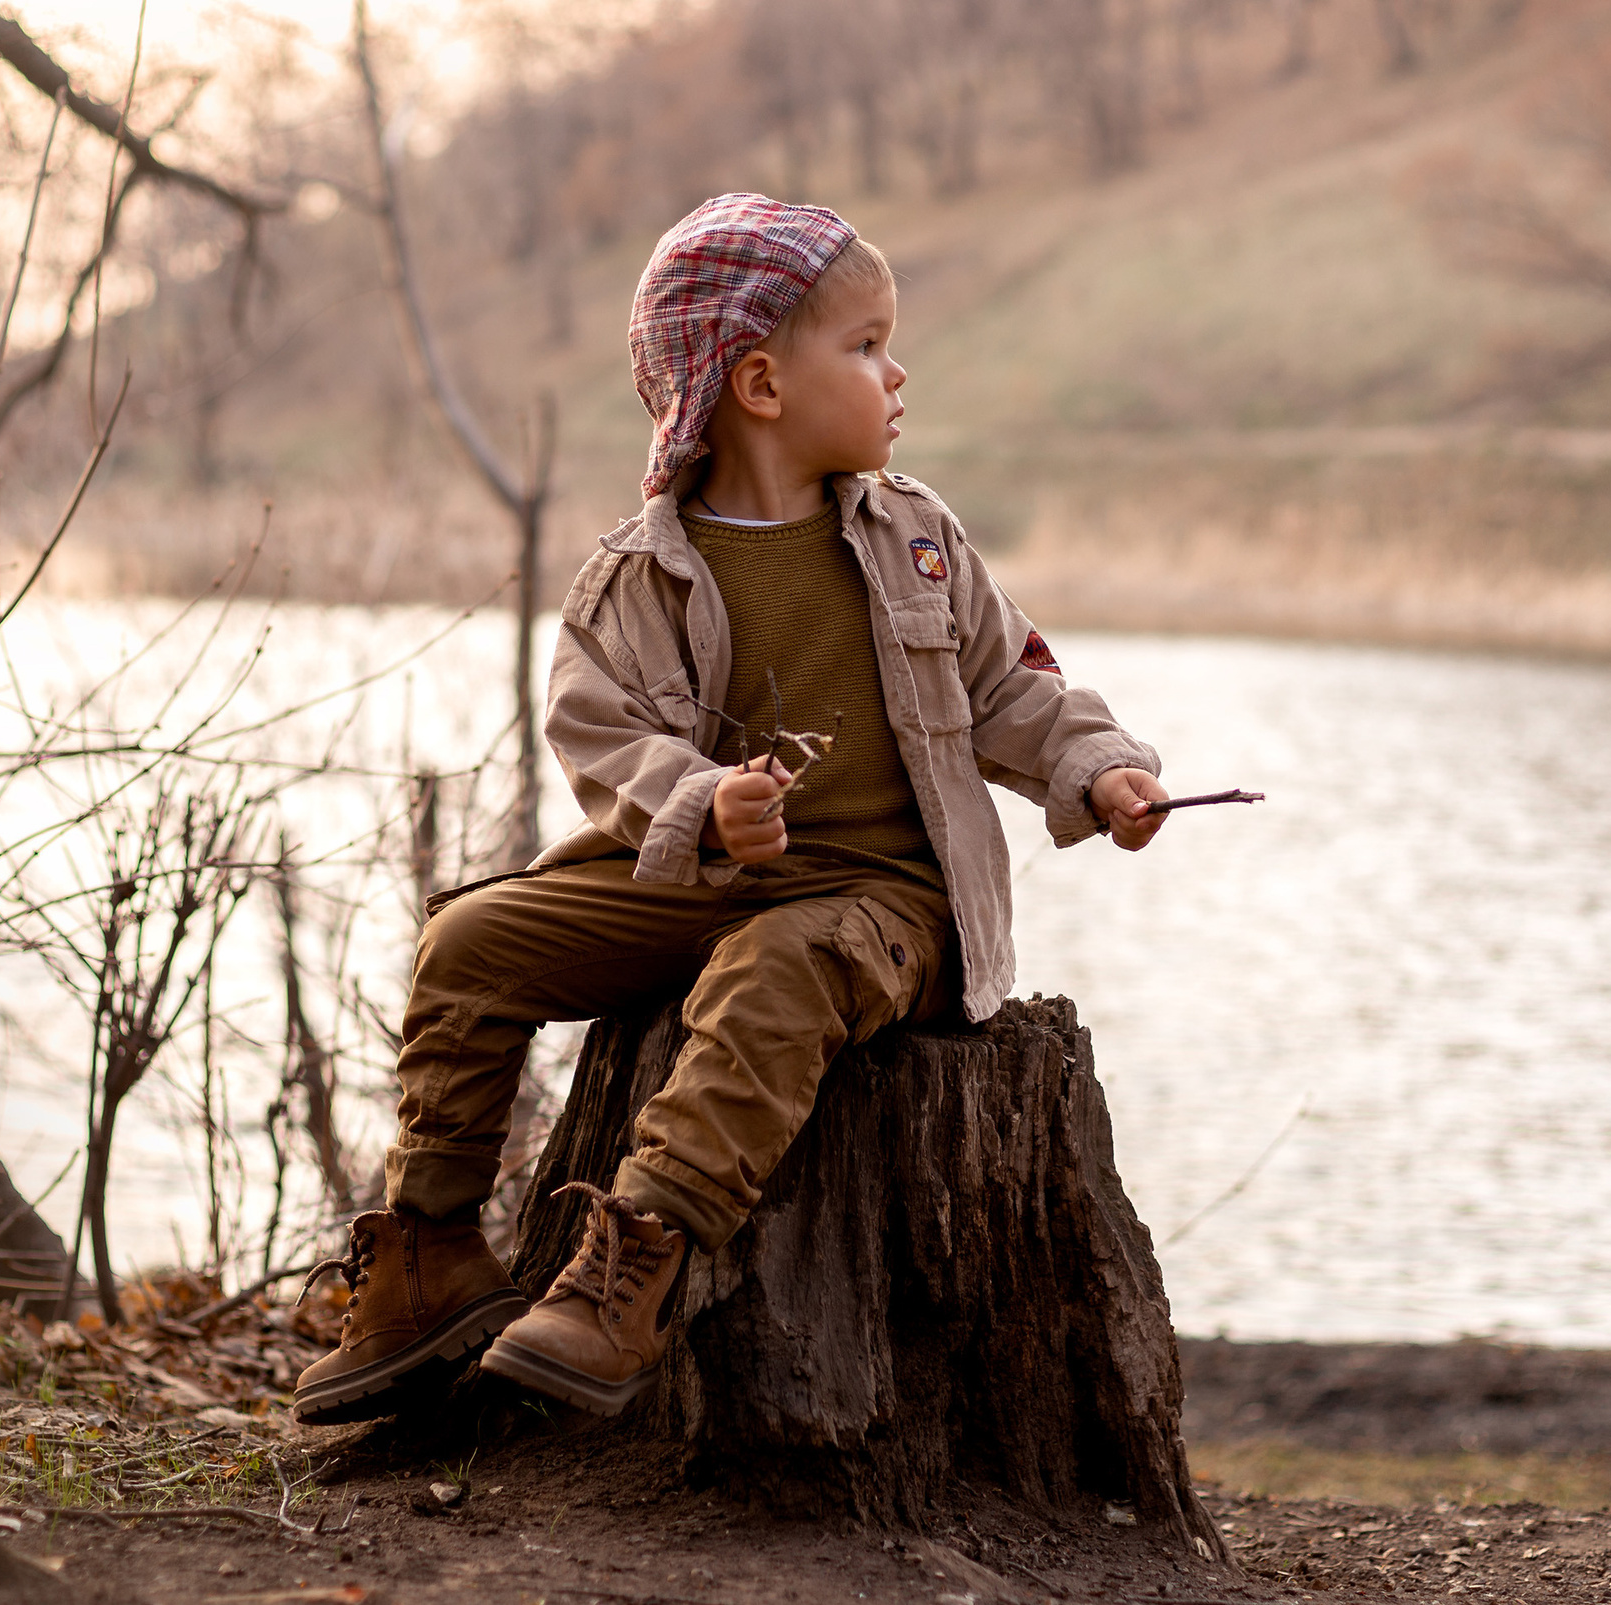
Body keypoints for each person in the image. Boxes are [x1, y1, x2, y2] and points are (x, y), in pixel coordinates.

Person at [291, 194, 1169, 1422]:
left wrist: (1099, 770)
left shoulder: (918, 540)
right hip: (698, 877)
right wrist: (703, 803)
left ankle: (634, 1263)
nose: (896, 372)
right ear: (759, 383)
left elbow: (1013, 688)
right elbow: (602, 737)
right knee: (469, 943)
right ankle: (431, 1259)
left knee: (774, 969)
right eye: (864, 346)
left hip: (885, 901)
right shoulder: (637, 575)